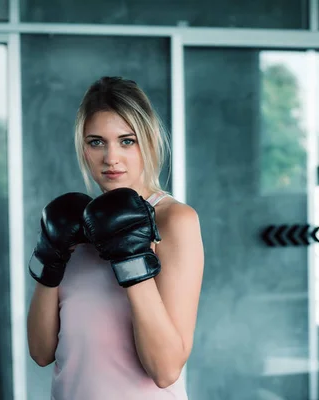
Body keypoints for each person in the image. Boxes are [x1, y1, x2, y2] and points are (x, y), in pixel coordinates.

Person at [26, 77, 204, 399]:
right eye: (97, 142)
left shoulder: (174, 220)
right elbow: (41, 352)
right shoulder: (71, 223)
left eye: (126, 141)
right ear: (83, 146)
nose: (111, 158)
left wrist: (131, 260)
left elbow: (165, 371)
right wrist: (49, 259)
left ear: (148, 142)